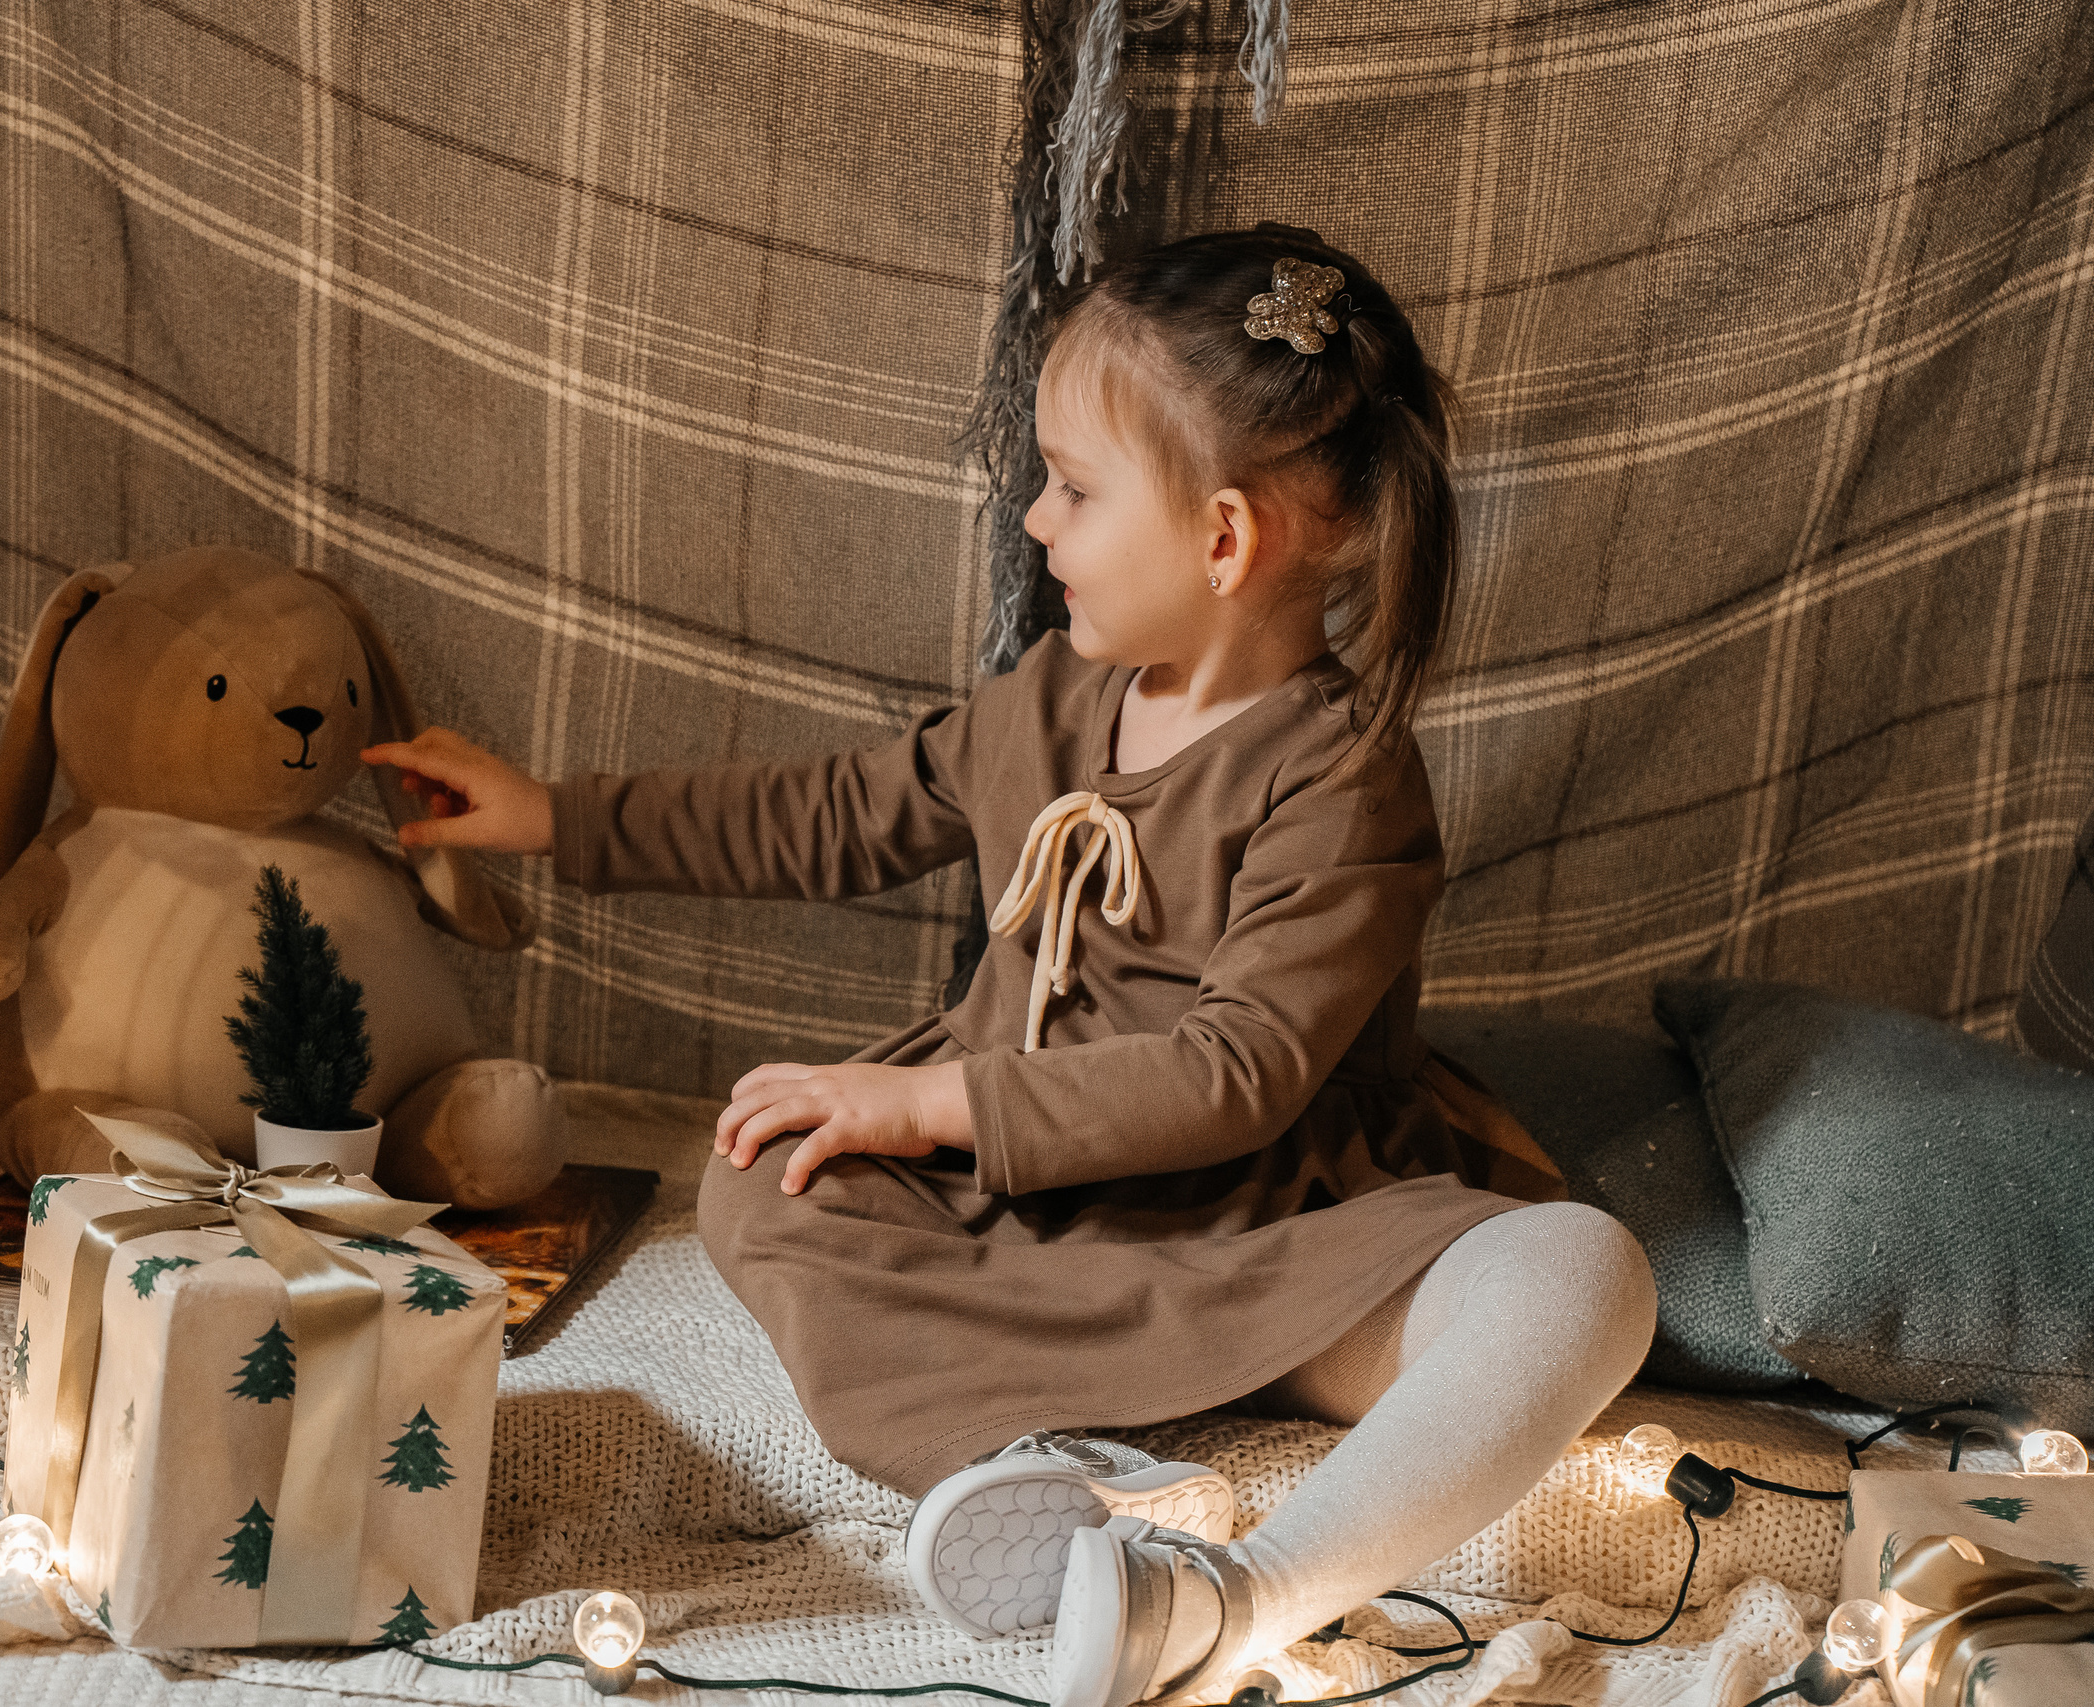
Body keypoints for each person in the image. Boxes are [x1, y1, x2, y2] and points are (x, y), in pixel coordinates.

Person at [365, 226, 1656, 1707]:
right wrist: (551, 816)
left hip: (1271, 1235)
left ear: (1223, 540)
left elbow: (1237, 1076)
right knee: (757, 1171)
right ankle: (1043, 1478)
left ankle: (1243, 1594)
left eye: (1075, 488)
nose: (1037, 523)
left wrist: (930, 1105)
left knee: (1583, 1272)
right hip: (1027, 1225)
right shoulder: (1052, 699)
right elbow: (839, 812)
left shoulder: (1344, 779)